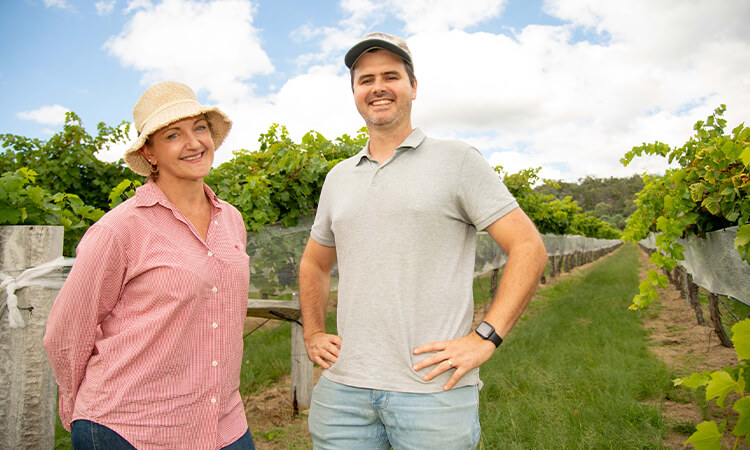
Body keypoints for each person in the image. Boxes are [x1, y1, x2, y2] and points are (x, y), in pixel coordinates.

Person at [299, 32, 548, 449]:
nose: (378, 87)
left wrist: (485, 338)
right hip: (343, 390)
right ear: (355, 93)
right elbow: (314, 263)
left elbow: (529, 248)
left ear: (413, 87)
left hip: (433, 392)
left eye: (391, 76)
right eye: (366, 79)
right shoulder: (338, 177)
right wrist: (312, 332)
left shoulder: (458, 161)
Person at [43, 81, 255, 450]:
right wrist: (82, 412)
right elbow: (65, 334)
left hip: (224, 424)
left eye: (200, 128)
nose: (193, 143)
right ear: (150, 153)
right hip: (131, 429)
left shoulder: (232, 219)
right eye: (174, 135)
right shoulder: (119, 230)